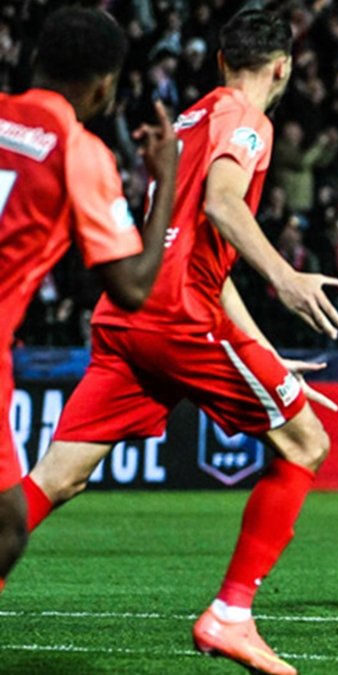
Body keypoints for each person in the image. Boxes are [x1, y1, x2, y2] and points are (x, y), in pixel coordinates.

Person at [19, 10, 338, 675]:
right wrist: (284, 277)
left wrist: (261, 350)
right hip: (179, 318)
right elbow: (224, 204)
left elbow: (199, 251)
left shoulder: (193, 119)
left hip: (130, 313)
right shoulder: (248, 121)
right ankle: (230, 614)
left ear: (221, 60)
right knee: (306, 442)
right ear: (283, 67)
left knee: (58, 476)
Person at [0, 7, 179, 594]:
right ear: (105, 86)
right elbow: (132, 288)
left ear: (36, 60)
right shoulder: (79, 153)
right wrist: (166, 180)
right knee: (7, 529)